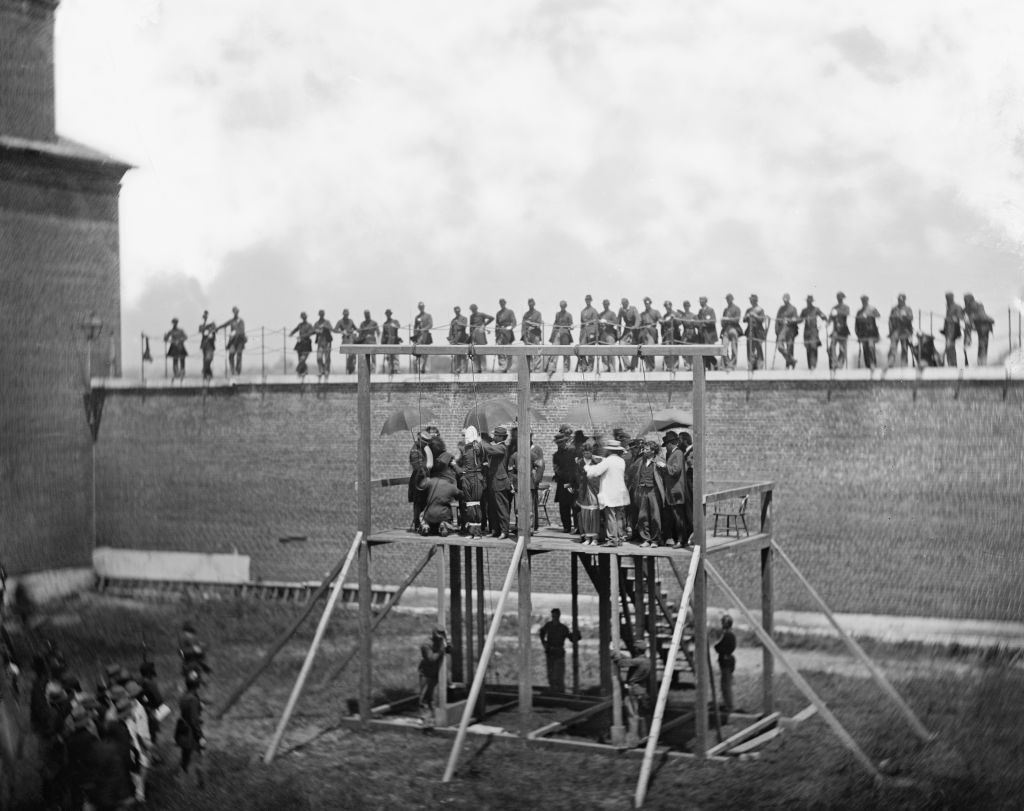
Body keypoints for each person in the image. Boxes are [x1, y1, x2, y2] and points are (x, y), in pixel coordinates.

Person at [585, 438, 629, 546]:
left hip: (610, 492)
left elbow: (595, 472)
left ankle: (612, 539)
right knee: (618, 517)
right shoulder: (621, 460)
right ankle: (619, 538)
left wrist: (587, 467)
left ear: (609, 450)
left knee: (610, 516)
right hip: (620, 492)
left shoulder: (608, 461)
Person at [611, 638, 651, 745]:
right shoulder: (646, 660)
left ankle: (632, 741)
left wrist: (614, 655)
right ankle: (644, 737)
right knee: (642, 714)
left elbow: (621, 663)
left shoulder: (638, 661)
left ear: (637, 650)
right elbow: (631, 660)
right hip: (642, 689)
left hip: (633, 689)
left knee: (632, 715)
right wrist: (621, 655)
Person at [175, 668, 205, 788]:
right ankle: (197, 783)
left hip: (183, 730)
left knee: (185, 756)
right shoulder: (193, 699)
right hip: (191, 733)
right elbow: (194, 720)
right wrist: (200, 736)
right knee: (196, 756)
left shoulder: (185, 696)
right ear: (197, 684)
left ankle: (182, 780)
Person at [482, 426, 514, 538]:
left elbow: (490, 450)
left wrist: (481, 441)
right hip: (492, 481)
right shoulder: (495, 446)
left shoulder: (502, 447)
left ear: (501, 437)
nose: (494, 437)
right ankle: (495, 530)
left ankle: (504, 531)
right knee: (492, 508)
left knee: (502, 507)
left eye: (496, 435)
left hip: (500, 482)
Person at [661, 431, 692, 547]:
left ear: (670, 444)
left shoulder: (677, 453)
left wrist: (665, 466)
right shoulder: (673, 453)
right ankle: (678, 539)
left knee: (679, 517)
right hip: (672, 490)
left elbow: (676, 470)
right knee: (675, 516)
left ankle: (681, 540)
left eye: (666, 446)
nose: (666, 449)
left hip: (676, 490)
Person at [633, 440, 665, 547]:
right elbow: (635, 472)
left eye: (647, 449)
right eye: (644, 449)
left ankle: (655, 540)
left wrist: (663, 467)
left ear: (653, 451)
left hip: (653, 491)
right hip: (643, 490)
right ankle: (645, 538)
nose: (644, 451)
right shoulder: (641, 460)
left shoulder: (659, 461)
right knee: (643, 515)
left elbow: (665, 475)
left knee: (655, 516)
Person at [539, 608, 578, 694]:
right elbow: (541, 632)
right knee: (550, 673)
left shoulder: (563, 628)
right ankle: (552, 690)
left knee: (559, 673)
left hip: (559, 653)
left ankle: (560, 691)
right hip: (550, 652)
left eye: (556, 616)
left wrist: (576, 634)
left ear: (559, 616)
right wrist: (544, 643)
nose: (554, 618)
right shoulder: (548, 625)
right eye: (553, 616)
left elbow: (571, 638)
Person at [418, 628, 451, 728]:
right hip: (426, 673)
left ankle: (433, 717)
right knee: (424, 695)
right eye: (440, 634)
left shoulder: (442, 641)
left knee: (434, 695)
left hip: (437, 672)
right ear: (434, 634)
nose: (442, 636)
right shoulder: (426, 644)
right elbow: (431, 658)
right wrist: (441, 650)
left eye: (443, 633)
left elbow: (449, 651)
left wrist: (448, 646)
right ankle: (423, 717)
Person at [458, 426, 486, 537]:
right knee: (469, 505)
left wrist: (479, 443)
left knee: (475, 505)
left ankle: (477, 532)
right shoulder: (464, 448)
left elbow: (484, 456)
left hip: (476, 477)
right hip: (467, 477)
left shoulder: (479, 447)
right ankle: (471, 531)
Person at [417, 470, 460, 536]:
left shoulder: (432, 481)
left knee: (422, 515)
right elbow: (461, 495)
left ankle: (425, 526)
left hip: (429, 514)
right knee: (448, 516)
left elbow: (421, 485)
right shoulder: (452, 487)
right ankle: (444, 524)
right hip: (443, 515)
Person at [552, 426, 578, 534]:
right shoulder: (556, 455)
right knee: (563, 505)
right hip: (563, 483)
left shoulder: (572, 452)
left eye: (561, 442)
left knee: (574, 505)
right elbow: (556, 469)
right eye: (558, 443)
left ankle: (577, 527)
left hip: (572, 482)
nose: (560, 444)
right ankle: (566, 527)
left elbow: (576, 467)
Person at [408, 430, 432, 532]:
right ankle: (418, 525)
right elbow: (419, 465)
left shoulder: (421, 448)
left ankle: (422, 524)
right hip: (419, 477)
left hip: (421, 476)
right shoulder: (416, 450)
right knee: (419, 503)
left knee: (422, 502)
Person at [713, 614, 736, 713]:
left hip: (726, 660)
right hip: (727, 660)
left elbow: (718, 646)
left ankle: (729, 705)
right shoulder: (729, 634)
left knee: (726, 684)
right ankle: (727, 703)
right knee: (725, 684)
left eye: (723, 623)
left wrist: (719, 648)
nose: (722, 624)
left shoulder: (727, 635)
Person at [964, 293, 995, 366]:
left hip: (984, 326)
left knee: (982, 344)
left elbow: (981, 316)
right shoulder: (971, 307)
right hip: (981, 327)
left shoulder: (976, 306)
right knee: (983, 345)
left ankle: (981, 362)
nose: (965, 301)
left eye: (965, 300)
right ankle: (981, 361)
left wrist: (971, 319)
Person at [799, 295, 828, 370]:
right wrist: (792, 320)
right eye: (808, 301)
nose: (809, 303)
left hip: (814, 331)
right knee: (808, 348)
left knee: (813, 347)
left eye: (810, 301)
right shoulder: (804, 310)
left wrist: (824, 317)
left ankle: (813, 365)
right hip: (806, 332)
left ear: (812, 302)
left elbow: (823, 316)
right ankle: (810, 366)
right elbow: (800, 320)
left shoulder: (816, 309)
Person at [546, 300, 574, 372]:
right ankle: (552, 368)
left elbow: (571, 324)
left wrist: (571, 326)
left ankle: (566, 368)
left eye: (563, 306)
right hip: (557, 333)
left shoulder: (569, 315)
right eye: (561, 306)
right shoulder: (557, 314)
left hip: (565, 334)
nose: (562, 307)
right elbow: (555, 323)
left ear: (565, 306)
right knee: (554, 350)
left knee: (566, 351)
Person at [887, 294, 914, 368]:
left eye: (901, 300)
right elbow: (890, 320)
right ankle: (891, 362)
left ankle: (904, 363)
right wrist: (890, 331)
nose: (900, 301)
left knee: (904, 348)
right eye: (899, 300)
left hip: (905, 331)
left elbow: (911, 318)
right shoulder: (894, 309)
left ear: (904, 300)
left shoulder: (908, 309)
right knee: (893, 347)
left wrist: (905, 317)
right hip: (896, 330)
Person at [854, 295, 881, 369]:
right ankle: (868, 365)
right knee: (865, 350)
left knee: (871, 348)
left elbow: (878, 315)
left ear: (867, 301)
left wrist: (869, 315)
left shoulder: (872, 309)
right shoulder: (859, 312)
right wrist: (858, 334)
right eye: (863, 300)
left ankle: (873, 364)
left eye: (865, 300)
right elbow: (856, 324)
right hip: (863, 334)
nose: (864, 302)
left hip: (871, 333)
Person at [743, 294, 768, 370]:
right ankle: (750, 363)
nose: (751, 301)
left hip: (758, 331)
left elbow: (762, 320)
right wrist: (747, 316)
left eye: (752, 300)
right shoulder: (748, 310)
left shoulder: (760, 310)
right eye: (750, 300)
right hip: (750, 330)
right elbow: (744, 320)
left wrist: (755, 316)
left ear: (756, 301)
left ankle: (760, 363)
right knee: (749, 347)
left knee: (758, 347)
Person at [220, 306, 247, 377]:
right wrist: (216, 329)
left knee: (239, 356)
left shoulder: (241, 321)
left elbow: (242, 330)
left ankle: (238, 371)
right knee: (231, 355)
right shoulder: (231, 321)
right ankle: (232, 371)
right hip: (232, 341)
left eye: (236, 312)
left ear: (238, 312)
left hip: (239, 341)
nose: (235, 313)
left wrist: (236, 332)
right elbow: (224, 325)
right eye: (234, 312)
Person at [941, 292, 967, 367]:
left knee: (950, 347)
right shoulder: (948, 307)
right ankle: (950, 364)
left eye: (949, 298)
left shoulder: (956, 306)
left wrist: (954, 318)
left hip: (953, 330)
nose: (948, 299)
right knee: (949, 347)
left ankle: (953, 364)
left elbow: (961, 317)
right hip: (948, 330)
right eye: (947, 298)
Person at [775, 294, 799, 370]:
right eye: (784, 299)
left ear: (789, 299)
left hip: (791, 330)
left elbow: (796, 319)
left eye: (786, 299)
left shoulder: (793, 309)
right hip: (782, 330)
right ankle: (791, 360)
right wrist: (776, 331)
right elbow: (777, 320)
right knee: (779, 346)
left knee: (790, 347)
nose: (785, 300)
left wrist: (790, 320)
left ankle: (788, 365)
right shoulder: (781, 309)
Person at [828, 292, 851, 370]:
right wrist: (827, 323)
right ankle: (834, 363)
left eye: (841, 298)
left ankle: (840, 364)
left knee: (843, 349)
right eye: (838, 298)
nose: (839, 299)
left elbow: (847, 313)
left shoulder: (846, 307)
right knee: (831, 347)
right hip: (835, 331)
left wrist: (838, 312)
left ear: (843, 298)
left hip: (844, 331)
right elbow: (830, 318)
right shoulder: (834, 308)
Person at [617, 298, 642, 371]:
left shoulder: (633, 309)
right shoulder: (621, 310)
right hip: (626, 330)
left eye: (624, 303)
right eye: (622, 304)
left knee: (637, 348)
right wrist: (618, 332)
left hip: (635, 331)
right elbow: (618, 321)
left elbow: (638, 319)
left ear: (627, 303)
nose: (623, 305)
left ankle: (633, 366)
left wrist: (635, 326)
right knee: (621, 345)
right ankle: (628, 365)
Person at [468, 304, 494, 374]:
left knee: (482, 351)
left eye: (474, 309)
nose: (473, 310)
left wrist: (484, 325)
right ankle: (477, 369)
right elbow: (470, 326)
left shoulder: (481, 314)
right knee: (474, 351)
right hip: (474, 334)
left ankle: (484, 368)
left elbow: (492, 318)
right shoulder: (471, 316)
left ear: (476, 308)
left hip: (480, 333)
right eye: (472, 309)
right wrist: (470, 336)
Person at [521, 298, 544, 372]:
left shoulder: (538, 313)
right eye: (529, 303)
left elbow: (539, 324)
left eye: (532, 303)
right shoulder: (526, 314)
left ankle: (537, 369)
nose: (530, 304)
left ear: (534, 304)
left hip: (536, 335)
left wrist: (530, 324)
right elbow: (523, 326)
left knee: (537, 352)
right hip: (527, 335)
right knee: (528, 352)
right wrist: (523, 336)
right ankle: (529, 369)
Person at [720, 295, 742, 370]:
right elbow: (723, 321)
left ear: (732, 299)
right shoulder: (725, 310)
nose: (728, 300)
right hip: (726, 329)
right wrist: (723, 321)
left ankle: (733, 364)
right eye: (727, 299)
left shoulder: (737, 309)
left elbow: (737, 320)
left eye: (729, 299)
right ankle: (727, 363)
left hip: (734, 329)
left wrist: (728, 319)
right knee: (724, 347)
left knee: (734, 347)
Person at [289, 312, 315, 377]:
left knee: (303, 358)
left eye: (304, 317)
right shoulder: (300, 325)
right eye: (302, 317)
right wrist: (291, 333)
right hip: (300, 343)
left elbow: (312, 332)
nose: (303, 318)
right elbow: (295, 329)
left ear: (306, 317)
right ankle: (303, 371)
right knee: (300, 358)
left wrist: (302, 336)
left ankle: (298, 369)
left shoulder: (309, 325)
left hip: (307, 343)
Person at [578, 294, 600, 371]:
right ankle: (584, 366)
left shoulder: (594, 311)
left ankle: (590, 367)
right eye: (586, 300)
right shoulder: (582, 311)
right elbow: (581, 323)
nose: (587, 301)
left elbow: (595, 323)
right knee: (582, 349)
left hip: (591, 332)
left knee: (591, 350)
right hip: (583, 332)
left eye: (589, 300)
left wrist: (594, 334)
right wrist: (580, 335)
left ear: (591, 301)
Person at [494, 298, 517, 372]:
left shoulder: (510, 312)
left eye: (503, 303)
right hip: (500, 334)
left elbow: (514, 322)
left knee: (509, 351)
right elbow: (497, 324)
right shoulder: (498, 313)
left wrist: (510, 327)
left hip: (508, 333)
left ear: (505, 303)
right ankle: (502, 367)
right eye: (500, 303)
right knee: (500, 351)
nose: (501, 304)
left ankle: (509, 367)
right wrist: (496, 333)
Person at [597, 299, 619, 372]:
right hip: (602, 335)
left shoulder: (612, 313)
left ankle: (612, 368)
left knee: (611, 351)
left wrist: (607, 322)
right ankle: (606, 368)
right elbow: (597, 325)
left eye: (606, 304)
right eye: (604, 304)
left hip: (610, 335)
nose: (605, 305)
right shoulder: (600, 314)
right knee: (603, 353)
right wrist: (600, 324)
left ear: (608, 305)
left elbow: (615, 322)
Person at [638, 297, 660, 371]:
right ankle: (647, 366)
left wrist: (659, 321)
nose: (646, 304)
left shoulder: (655, 312)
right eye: (645, 303)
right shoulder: (642, 314)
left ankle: (652, 366)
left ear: (650, 303)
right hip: (644, 332)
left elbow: (660, 319)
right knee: (644, 349)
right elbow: (639, 323)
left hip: (652, 332)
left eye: (648, 303)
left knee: (650, 348)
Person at [697, 296, 718, 370]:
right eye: (700, 301)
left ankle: (715, 363)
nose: (700, 302)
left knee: (708, 351)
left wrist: (705, 323)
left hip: (709, 335)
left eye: (702, 301)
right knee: (703, 351)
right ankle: (707, 366)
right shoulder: (700, 311)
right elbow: (698, 321)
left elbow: (713, 321)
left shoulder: (710, 310)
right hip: (702, 335)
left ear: (705, 301)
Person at [334, 308, 358, 374]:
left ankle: (351, 368)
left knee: (353, 354)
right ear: (343, 314)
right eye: (345, 314)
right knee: (350, 354)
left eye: (347, 314)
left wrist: (355, 330)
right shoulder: (340, 321)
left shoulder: (351, 321)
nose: (346, 316)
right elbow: (335, 330)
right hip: (345, 340)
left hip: (352, 339)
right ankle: (349, 367)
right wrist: (342, 331)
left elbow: (356, 329)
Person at [312, 309, 334, 379]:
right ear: (319, 314)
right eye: (320, 314)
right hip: (320, 343)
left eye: (322, 314)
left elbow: (331, 329)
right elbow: (313, 331)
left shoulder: (327, 322)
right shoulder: (316, 323)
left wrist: (324, 327)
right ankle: (321, 370)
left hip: (327, 342)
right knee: (319, 357)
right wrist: (316, 330)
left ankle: (327, 371)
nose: (321, 315)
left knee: (327, 358)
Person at [412, 302, 433, 373]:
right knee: (419, 353)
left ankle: (426, 369)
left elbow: (430, 325)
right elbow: (415, 327)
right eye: (420, 307)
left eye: (422, 307)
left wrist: (423, 329)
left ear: (424, 307)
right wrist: (414, 337)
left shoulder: (428, 315)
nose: (421, 308)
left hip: (426, 336)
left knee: (426, 353)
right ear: (418, 308)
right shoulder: (417, 317)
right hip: (419, 338)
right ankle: (420, 369)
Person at [448, 306, 469, 373]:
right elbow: (451, 330)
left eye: (458, 310)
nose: (457, 312)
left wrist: (458, 323)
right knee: (456, 355)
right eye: (456, 311)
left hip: (463, 340)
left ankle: (464, 370)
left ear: (460, 311)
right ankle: (457, 369)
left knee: (463, 355)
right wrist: (450, 338)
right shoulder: (453, 320)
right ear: (455, 311)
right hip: (455, 340)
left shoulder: (464, 318)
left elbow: (464, 325)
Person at [660, 301, 681, 371]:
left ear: (671, 306)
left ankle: (675, 366)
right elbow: (662, 326)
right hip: (667, 336)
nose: (667, 308)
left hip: (675, 336)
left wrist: (674, 319)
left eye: (668, 306)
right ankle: (668, 366)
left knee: (675, 351)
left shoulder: (676, 314)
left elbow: (679, 322)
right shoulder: (665, 316)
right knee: (666, 351)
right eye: (666, 306)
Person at [197, 310, 217, 381]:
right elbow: (200, 330)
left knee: (209, 359)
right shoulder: (202, 325)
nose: (205, 317)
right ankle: (207, 374)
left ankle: (206, 372)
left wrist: (211, 329)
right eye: (204, 317)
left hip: (210, 344)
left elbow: (215, 330)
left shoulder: (212, 324)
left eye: (206, 316)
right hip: (204, 345)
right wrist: (207, 327)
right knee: (205, 359)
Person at [380, 309, 402, 374]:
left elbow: (398, 326)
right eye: (387, 313)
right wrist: (382, 343)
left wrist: (394, 326)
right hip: (388, 342)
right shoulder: (385, 324)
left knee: (395, 357)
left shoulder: (395, 321)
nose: (388, 315)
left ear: (391, 314)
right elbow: (383, 334)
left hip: (395, 342)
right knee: (389, 357)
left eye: (389, 313)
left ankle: (396, 370)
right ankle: (391, 370)